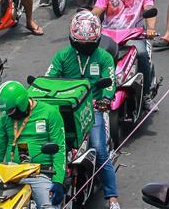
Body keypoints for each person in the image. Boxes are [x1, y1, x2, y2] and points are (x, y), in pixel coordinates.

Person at [46, 11, 120, 208]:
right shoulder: (61, 56)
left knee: (100, 149)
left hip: (93, 109)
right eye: (81, 44)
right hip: (65, 110)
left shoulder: (104, 57)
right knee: (51, 147)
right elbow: (49, 80)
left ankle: (112, 198)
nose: (85, 47)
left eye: (89, 44)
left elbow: (109, 83)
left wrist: (105, 99)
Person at [92, 0, 157, 109]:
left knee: (141, 54)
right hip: (108, 36)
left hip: (134, 35)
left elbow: (149, 11)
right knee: (95, 57)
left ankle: (146, 94)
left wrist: (151, 29)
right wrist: (87, 20)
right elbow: (97, 11)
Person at [0, 81, 66, 209]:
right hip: (10, 173)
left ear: (21, 104)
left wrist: (58, 181)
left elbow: (59, 149)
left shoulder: (50, 113)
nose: (7, 114)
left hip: (39, 173)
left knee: (48, 207)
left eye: (10, 110)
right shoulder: (4, 119)